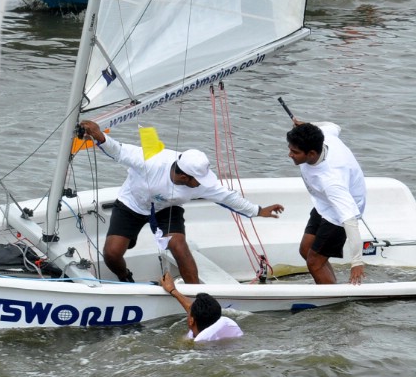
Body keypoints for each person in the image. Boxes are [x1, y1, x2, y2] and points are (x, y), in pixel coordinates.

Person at [79, 120, 284, 284]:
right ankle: (125, 277)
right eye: (198, 180)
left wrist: (258, 210)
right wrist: (98, 134)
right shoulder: (151, 159)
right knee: (112, 254)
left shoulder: (202, 182)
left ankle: (195, 295)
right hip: (132, 204)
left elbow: (227, 197)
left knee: (178, 245)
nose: (203, 184)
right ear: (185, 176)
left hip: (166, 209)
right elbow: (118, 150)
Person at [286, 119, 367, 285]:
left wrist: (357, 262)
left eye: (295, 152)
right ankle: (332, 284)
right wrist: (308, 125)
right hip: (324, 202)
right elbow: (334, 126)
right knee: (306, 250)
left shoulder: (331, 180)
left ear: (312, 154)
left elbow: (350, 221)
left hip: (341, 212)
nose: (290, 154)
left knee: (314, 262)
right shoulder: (325, 136)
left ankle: (335, 304)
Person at [160, 272, 244, 342]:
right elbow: (192, 309)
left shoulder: (196, 344)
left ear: (191, 321)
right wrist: (172, 290)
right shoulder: (225, 324)